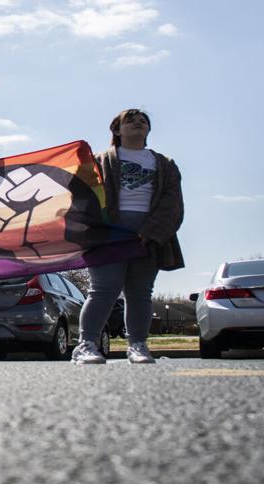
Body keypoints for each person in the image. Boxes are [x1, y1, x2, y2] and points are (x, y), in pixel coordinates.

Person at [71, 109, 185, 365]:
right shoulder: (99, 160)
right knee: (103, 290)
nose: (138, 122)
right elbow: (81, 196)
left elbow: (173, 204)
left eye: (143, 120)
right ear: (117, 130)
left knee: (140, 292)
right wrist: (98, 228)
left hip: (149, 236)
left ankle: (138, 345)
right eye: (130, 120)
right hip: (108, 235)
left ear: (149, 131)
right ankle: (86, 345)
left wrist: (152, 232)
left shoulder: (165, 164)